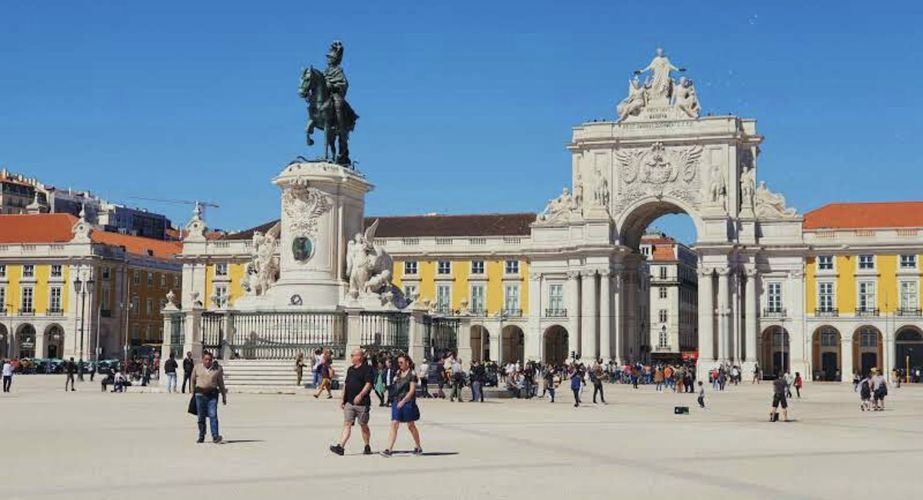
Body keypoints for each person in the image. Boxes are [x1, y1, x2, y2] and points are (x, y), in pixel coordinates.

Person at [330, 349, 374, 456]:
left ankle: (367, 445)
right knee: (347, 424)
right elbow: (346, 384)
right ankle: (341, 446)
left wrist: (360, 395)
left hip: (362, 403)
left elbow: (368, 384)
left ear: (359, 357)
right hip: (349, 402)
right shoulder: (350, 369)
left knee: (363, 425)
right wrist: (342, 399)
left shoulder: (367, 369)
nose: (351, 357)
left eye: (352, 355)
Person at [380, 355, 423, 457]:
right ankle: (389, 449)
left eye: (401, 362)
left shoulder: (412, 374)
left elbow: (412, 391)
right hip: (396, 401)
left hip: (408, 402)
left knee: (410, 425)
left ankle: (418, 446)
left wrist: (403, 401)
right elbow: (394, 386)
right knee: (394, 423)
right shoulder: (398, 373)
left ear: (407, 362)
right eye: (398, 362)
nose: (399, 365)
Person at [190, 351, 227, 444]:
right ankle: (201, 435)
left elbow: (221, 383)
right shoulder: (197, 367)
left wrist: (223, 396)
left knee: (213, 415)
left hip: (212, 395)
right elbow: (192, 380)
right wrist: (192, 393)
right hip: (199, 395)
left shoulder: (217, 369)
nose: (208, 361)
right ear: (202, 360)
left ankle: (215, 436)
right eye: (206, 359)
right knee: (201, 416)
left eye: (210, 360)